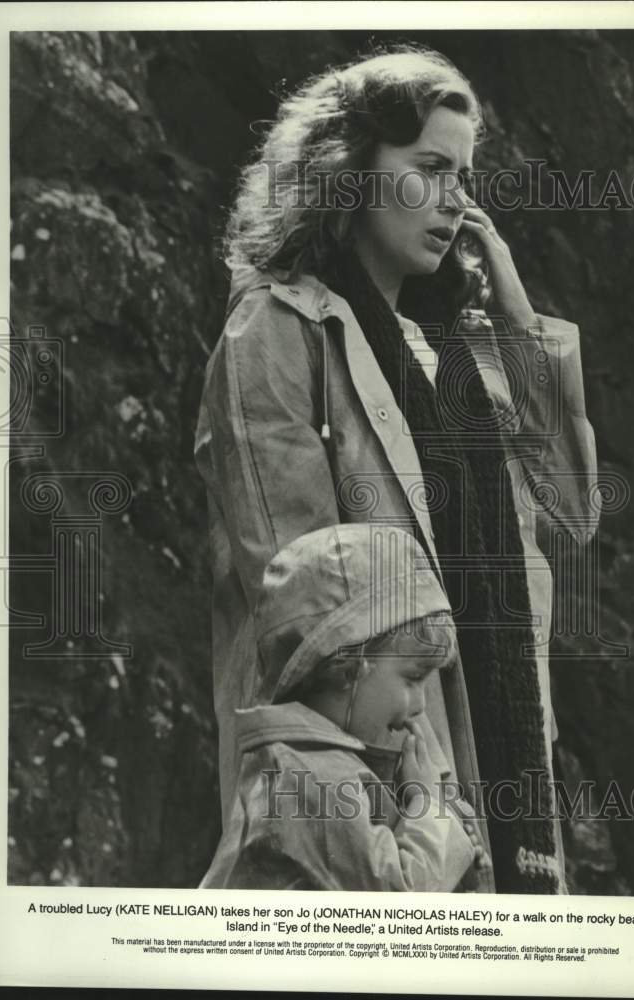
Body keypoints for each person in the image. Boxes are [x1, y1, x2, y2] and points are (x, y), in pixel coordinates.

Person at [195, 45, 600, 893]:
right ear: (349, 171)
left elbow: (570, 509)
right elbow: (301, 609)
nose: (455, 199)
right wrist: (424, 792)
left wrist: (519, 318)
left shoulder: (467, 351)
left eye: (463, 175)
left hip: (499, 750)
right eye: (428, 168)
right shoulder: (275, 329)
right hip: (372, 772)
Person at [200, 523, 490, 892]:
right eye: (413, 679)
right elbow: (398, 904)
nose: (420, 705)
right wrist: (429, 806)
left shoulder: (318, 765)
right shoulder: (309, 778)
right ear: (349, 668)